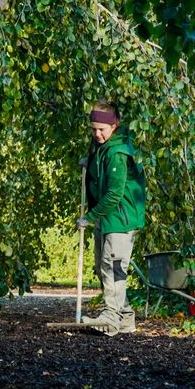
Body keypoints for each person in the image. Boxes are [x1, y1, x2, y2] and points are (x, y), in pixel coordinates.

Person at [76, 102, 146, 336]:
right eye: (93, 129)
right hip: (108, 218)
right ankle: (125, 317)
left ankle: (110, 318)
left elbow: (115, 194)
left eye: (102, 129)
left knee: (113, 267)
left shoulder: (117, 153)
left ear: (114, 126)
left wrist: (89, 217)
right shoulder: (101, 147)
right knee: (102, 266)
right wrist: (90, 162)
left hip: (120, 218)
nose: (97, 134)